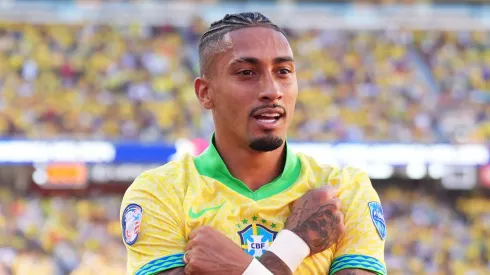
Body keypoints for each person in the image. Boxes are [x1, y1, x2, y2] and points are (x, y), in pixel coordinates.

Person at [121, 12, 386, 275]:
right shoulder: (161, 192)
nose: (272, 90)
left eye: (283, 71)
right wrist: (294, 245)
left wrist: (241, 268)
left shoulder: (345, 190)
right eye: (247, 73)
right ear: (205, 93)